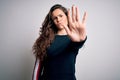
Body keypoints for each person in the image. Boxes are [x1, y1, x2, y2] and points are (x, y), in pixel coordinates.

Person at [32, 4, 87, 80]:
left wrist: (81, 40)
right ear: (52, 21)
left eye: (61, 16)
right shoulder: (45, 39)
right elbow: (38, 67)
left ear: (67, 16)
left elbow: (78, 43)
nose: (58, 19)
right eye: (55, 18)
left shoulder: (74, 39)